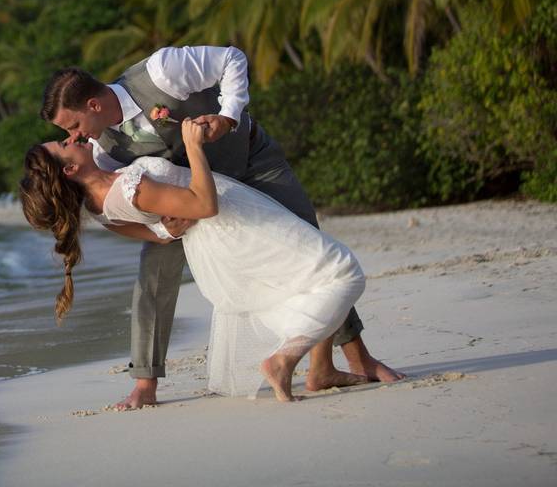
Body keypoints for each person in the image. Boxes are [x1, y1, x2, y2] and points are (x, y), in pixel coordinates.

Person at [39, 47, 403, 409]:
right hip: (197, 203)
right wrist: (166, 228)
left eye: (72, 126)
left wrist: (228, 116)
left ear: (93, 106)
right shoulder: (101, 153)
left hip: (250, 162)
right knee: (153, 274)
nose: (75, 137)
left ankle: (345, 361)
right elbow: (123, 206)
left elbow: (233, 58)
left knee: (310, 244)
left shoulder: (161, 71)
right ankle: (145, 384)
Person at [20, 120, 366, 401]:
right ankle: (284, 361)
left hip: (224, 233)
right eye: (63, 145)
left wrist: (170, 224)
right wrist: (194, 146)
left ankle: (321, 370)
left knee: (303, 282)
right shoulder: (128, 189)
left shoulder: (100, 207)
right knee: (343, 271)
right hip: (236, 225)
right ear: (69, 169)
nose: (71, 139)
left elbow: (159, 235)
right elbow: (204, 205)